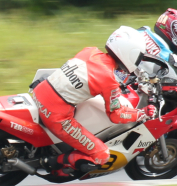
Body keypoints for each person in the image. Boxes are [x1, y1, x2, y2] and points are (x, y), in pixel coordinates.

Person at [33, 26, 153, 175]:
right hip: (56, 115)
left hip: (39, 92)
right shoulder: (109, 80)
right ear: (131, 54)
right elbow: (116, 115)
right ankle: (51, 163)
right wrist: (142, 113)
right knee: (102, 155)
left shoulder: (89, 51)